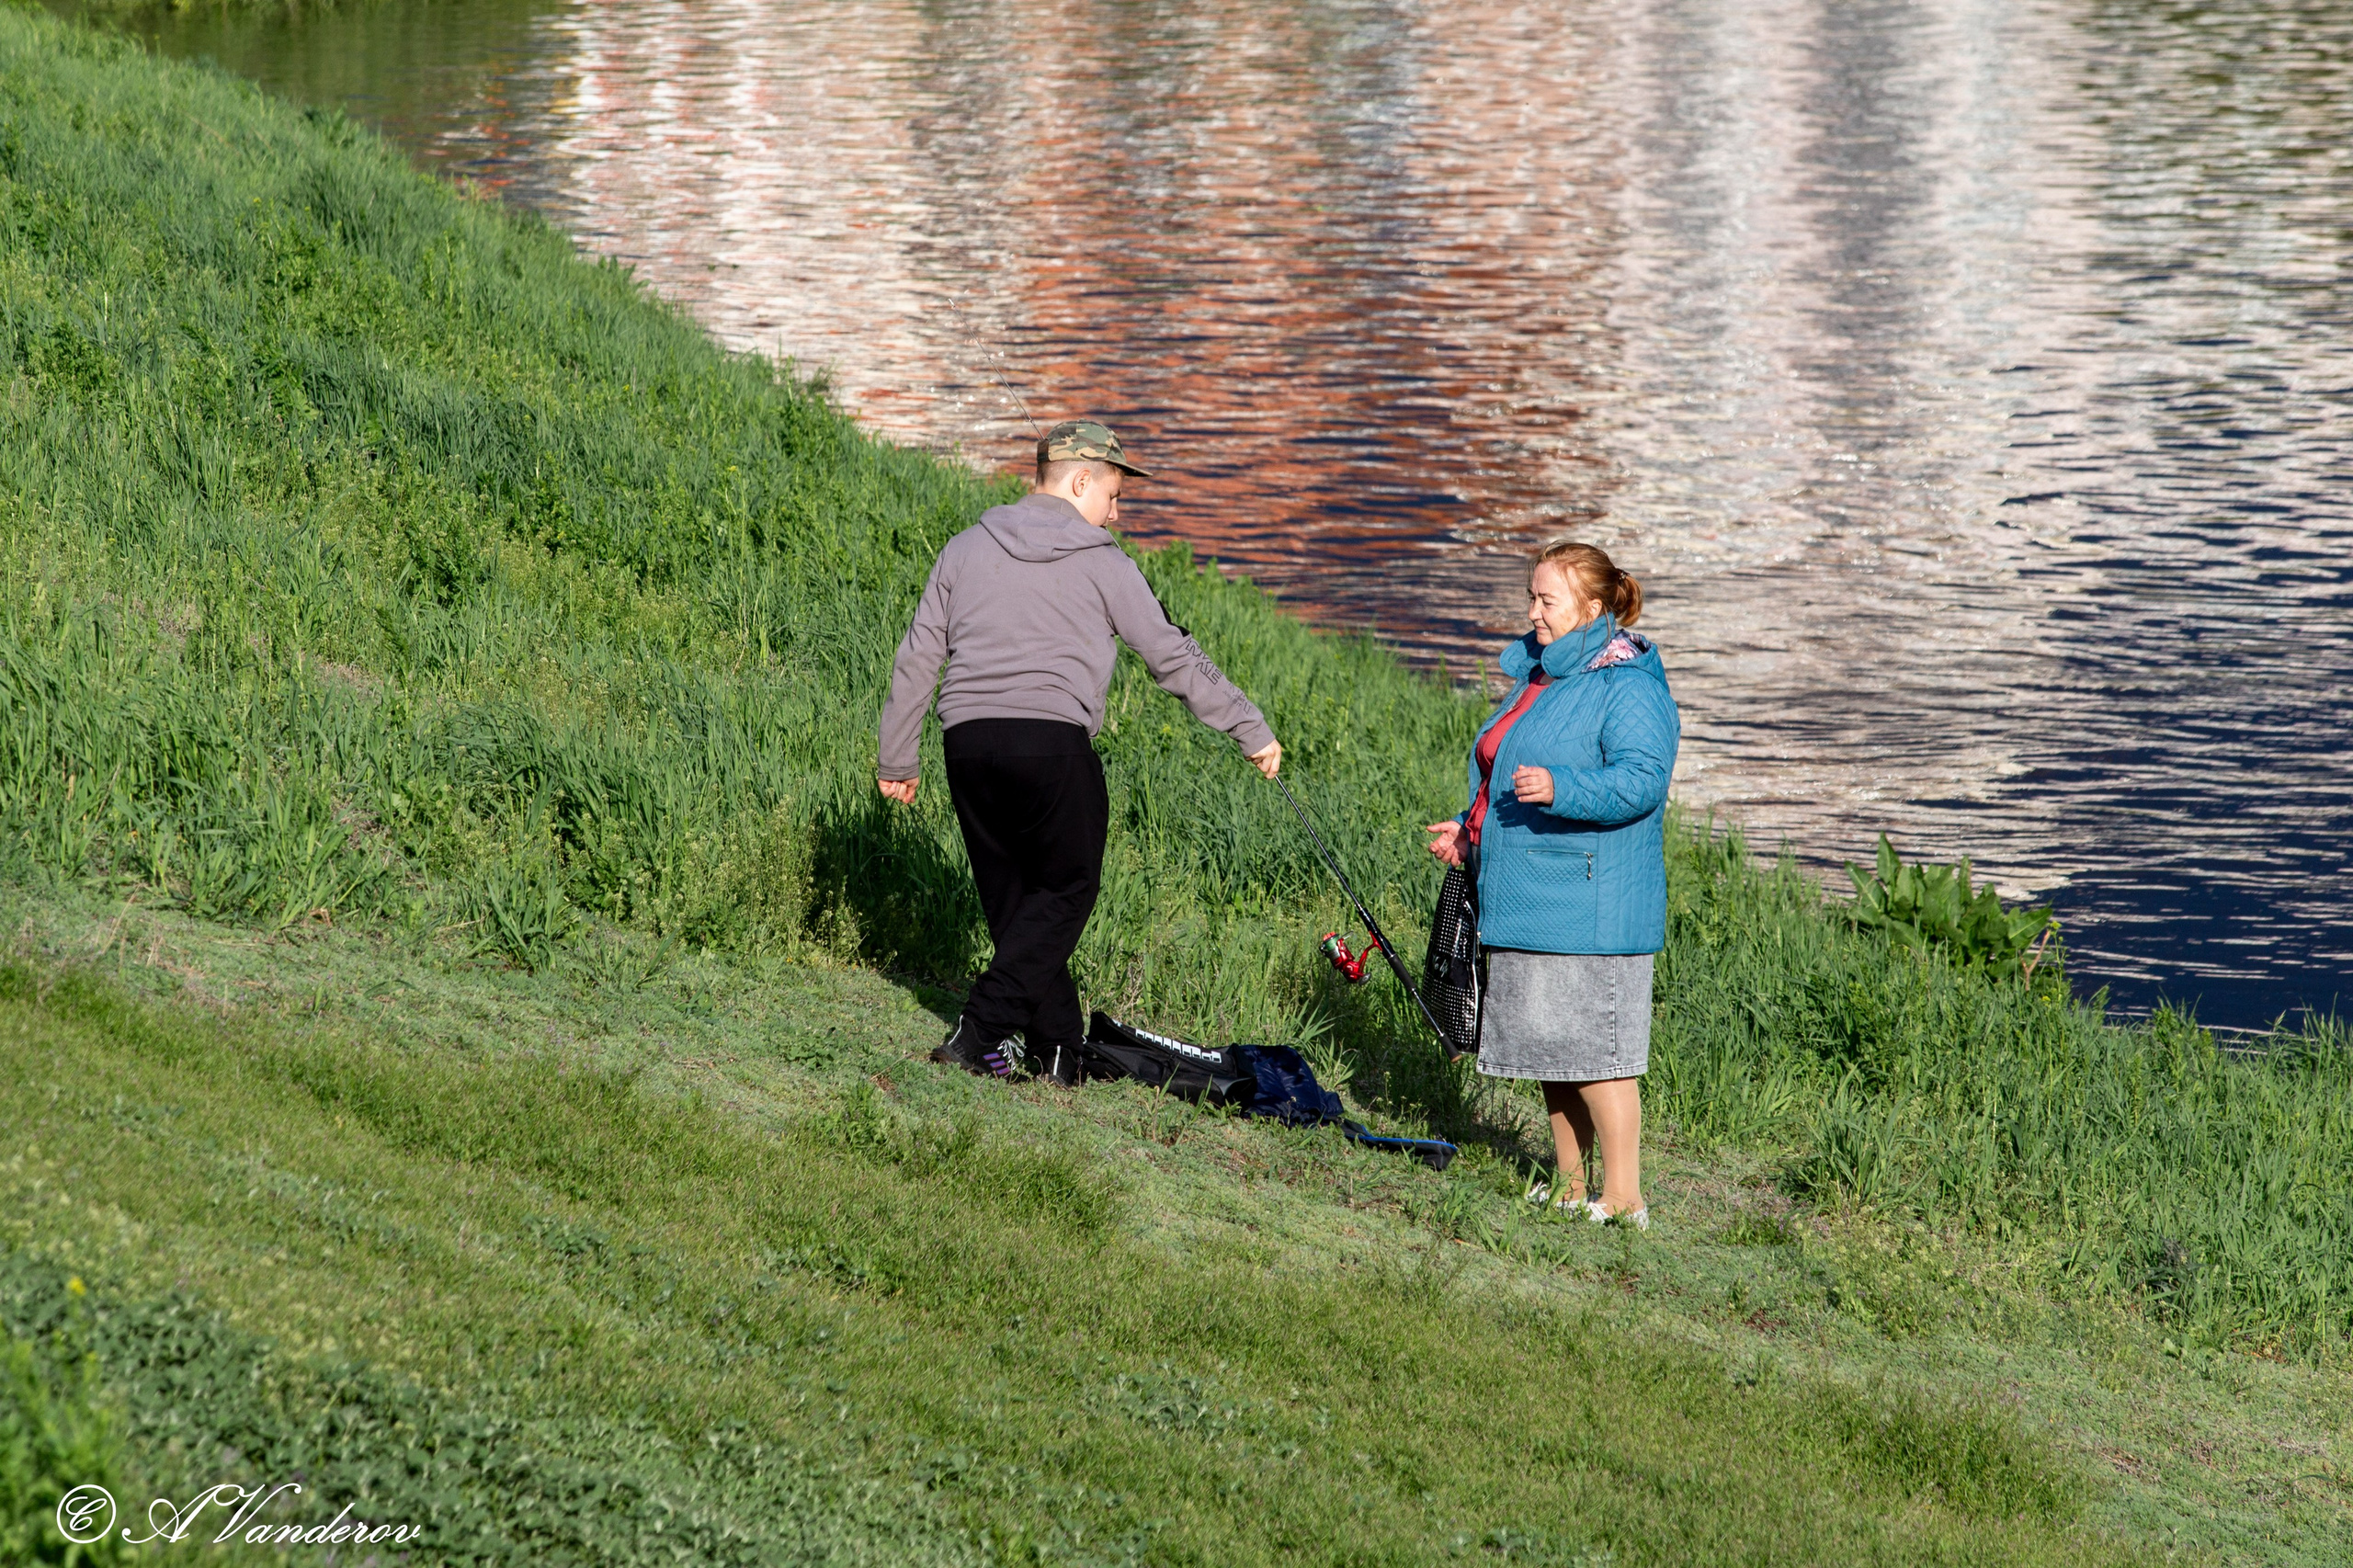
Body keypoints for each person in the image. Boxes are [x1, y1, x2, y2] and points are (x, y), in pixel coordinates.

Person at [878, 419, 1283, 1085]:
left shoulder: (964, 548)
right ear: (1081, 480)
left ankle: (1058, 1050)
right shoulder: (1104, 560)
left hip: (968, 746)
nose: (1116, 512)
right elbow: (1171, 653)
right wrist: (1249, 727)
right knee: (1065, 891)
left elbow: (919, 655)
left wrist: (899, 757)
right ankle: (977, 1031)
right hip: (1052, 748)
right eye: (1114, 496)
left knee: (1017, 903)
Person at [1425, 540, 1679, 1227]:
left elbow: (1641, 782)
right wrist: (1466, 830)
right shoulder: (1545, 674)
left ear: (1593, 609)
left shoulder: (1626, 682)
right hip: (1532, 891)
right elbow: (1497, 770)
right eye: (1531, 597)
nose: (1532, 612)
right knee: (1551, 1048)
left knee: (1600, 1056)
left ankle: (1624, 1198)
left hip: (1589, 900)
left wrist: (1563, 787)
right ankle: (1570, 1186)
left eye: (1548, 601)